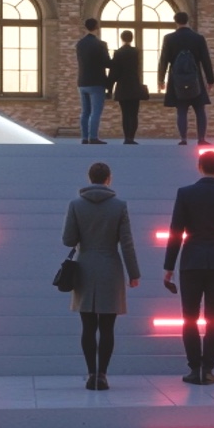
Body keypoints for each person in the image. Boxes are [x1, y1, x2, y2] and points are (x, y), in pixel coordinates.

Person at [163, 148, 214, 384]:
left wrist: (169, 265)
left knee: (189, 317)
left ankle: (193, 367)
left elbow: (175, 232)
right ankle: (208, 368)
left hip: (191, 261)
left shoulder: (185, 193)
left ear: (199, 166)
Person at [63, 160, 140, 391]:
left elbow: (68, 240)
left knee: (88, 325)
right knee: (107, 327)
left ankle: (90, 374)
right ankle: (103, 375)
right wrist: (134, 273)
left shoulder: (76, 204)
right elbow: (127, 243)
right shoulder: (119, 206)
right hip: (110, 268)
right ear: (109, 179)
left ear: (89, 178)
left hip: (85, 266)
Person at [157, 20, 214, 146]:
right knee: (200, 110)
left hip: (177, 80)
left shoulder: (169, 38)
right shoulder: (198, 38)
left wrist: (160, 80)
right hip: (196, 79)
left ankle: (183, 139)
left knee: (181, 111)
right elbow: (206, 60)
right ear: (187, 21)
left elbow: (163, 60)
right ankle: (201, 138)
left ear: (176, 22)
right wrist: (210, 79)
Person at [74, 18, 111, 144]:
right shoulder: (101, 44)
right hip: (96, 81)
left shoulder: (80, 44)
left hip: (82, 80)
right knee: (95, 111)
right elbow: (107, 63)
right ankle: (93, 137)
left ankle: (84, 137)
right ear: (97, 27)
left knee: (85, 111)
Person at [109, 29, 147, 145]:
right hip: (135, 85)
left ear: (122, 38)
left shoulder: (118, 53)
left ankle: (127, 138)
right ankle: (132, 137)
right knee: (134, 113)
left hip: (122, 87)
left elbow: (114, 72)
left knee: (125, 113)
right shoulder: (136, 52)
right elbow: (138, 69)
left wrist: (109, 87)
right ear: (132, 38)